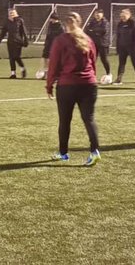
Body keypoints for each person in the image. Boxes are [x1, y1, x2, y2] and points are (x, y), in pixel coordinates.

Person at [45, 12, 101, 167]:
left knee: (65, 121)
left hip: (67, 86)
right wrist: (91, 78)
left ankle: (63, 153)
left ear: (65, 24)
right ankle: (94, 151)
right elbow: (93, 62)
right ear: (80, 22)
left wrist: (49, 85)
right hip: (89, 84)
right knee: (89, 119)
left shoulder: (60, 40)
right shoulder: (88, 40)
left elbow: (53, 65)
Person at [0, 8, 28, 78]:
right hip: (10, 42)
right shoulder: (7, 22)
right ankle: (13, 74)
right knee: (11, 58)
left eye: (13, 13)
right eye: (10, 13)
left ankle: (23, 68)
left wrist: (26, 40)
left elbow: (24, 31)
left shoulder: (20, 20)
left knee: (16, 57)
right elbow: (3, 32)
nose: (11, 14)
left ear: (16, 13)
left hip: (18, 42)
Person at [84, 10, 112, 84]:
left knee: (104, 59)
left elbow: (103, 31)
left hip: (103, 44)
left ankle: (109, 74)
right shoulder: (92, 22)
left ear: (102, 14)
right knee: (92, 60)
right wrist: (95, 32)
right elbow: (87, 30)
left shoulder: (105, 22)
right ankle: (92, 76)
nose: (97, 15)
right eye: (96, 14)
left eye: (99, 14)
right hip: (94, 44)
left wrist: (92, 31)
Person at [114, 9, 135, 86]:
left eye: (124, 16)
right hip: (122, 47)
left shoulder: (134, 23)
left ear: (129, 15)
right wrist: (117, 47)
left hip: (132, 47)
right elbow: (118, 36)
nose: (122, 17)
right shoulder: (120, 24)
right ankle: (119, 79)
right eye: (121, 16)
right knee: (121, 63)